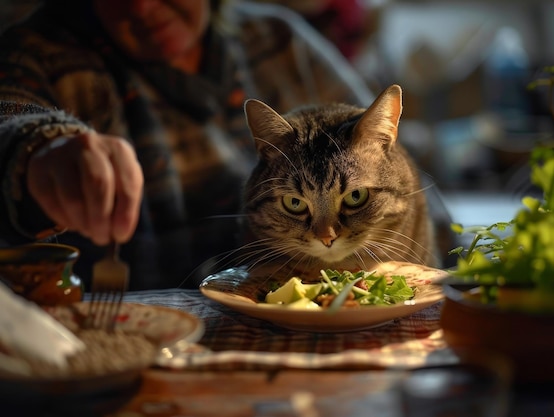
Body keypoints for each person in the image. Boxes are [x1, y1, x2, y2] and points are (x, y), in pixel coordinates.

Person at [0, 0, 377, 290]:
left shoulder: (280, 41)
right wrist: (40, 150)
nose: (142, 7)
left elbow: (386, 164)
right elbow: (9, 117)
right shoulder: (34, 53)